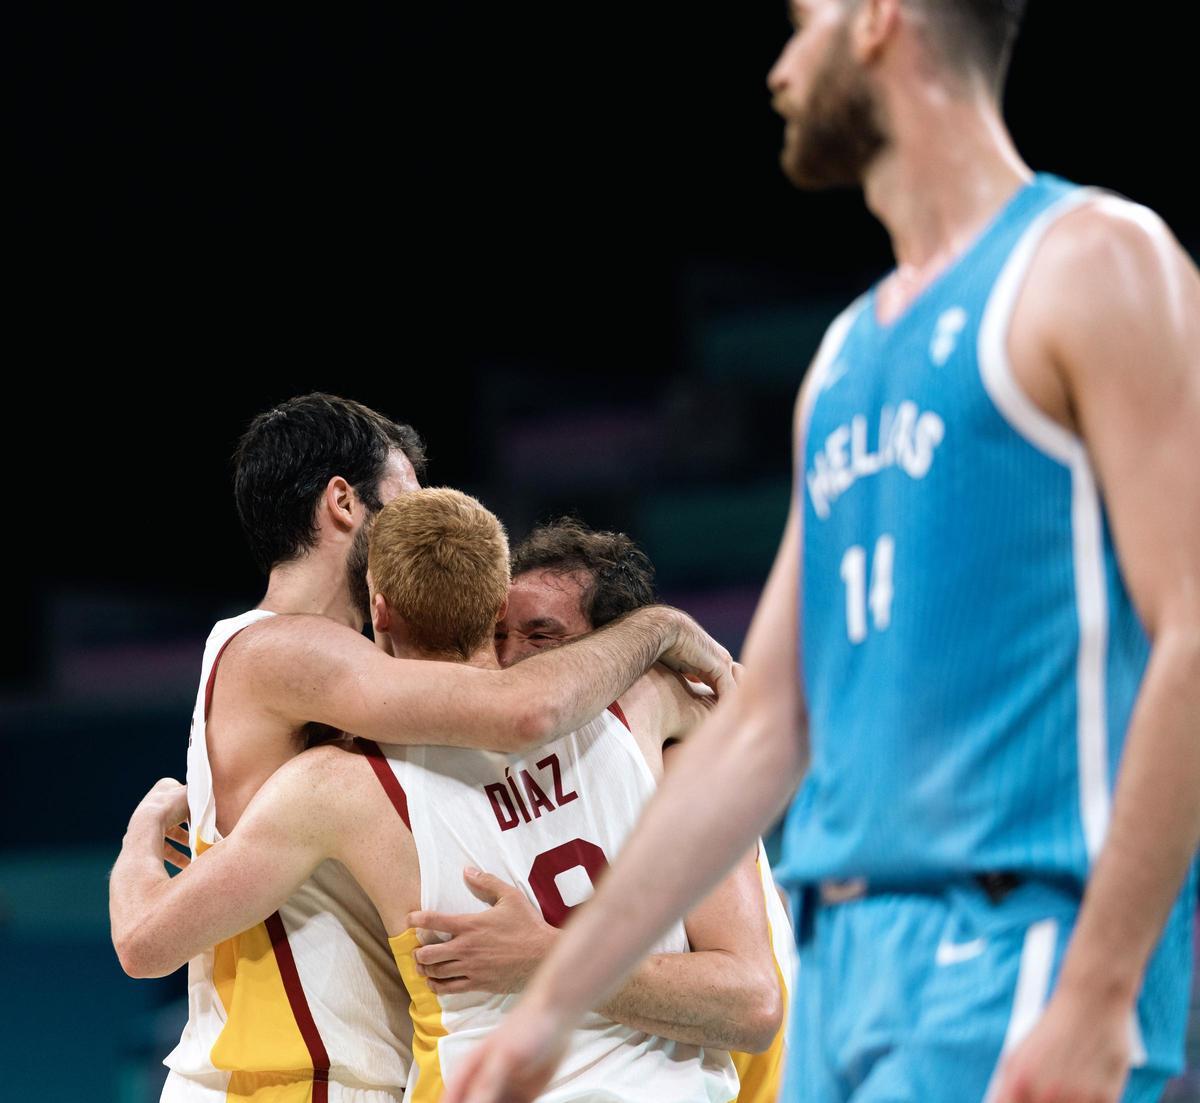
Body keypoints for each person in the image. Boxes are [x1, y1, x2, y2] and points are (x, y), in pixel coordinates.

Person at [445, 2, 1200, 1102]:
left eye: (802, 22)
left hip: (1015, 942)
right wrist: (554, 1004)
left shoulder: (1094, 261)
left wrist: (1099, 985)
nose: (781, 65)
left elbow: (1192, 627)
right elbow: (766, 720)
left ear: (882, 18)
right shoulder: (845, 358)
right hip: (842, 968)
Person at [111, 393, 734, 1102]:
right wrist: (658, 630)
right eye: (405, 498)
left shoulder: (346, 673)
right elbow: (523, 708)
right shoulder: (287, 647)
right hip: (293, 1078)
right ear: (343, 502)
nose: (420, 518)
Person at [476, 517, 797, 1101]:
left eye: (541, 637)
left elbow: (752, 1001)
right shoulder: (542, 772)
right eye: (498, 636)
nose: (509, 659)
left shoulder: (674, 760)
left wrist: (544, 958)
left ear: (619, 654)